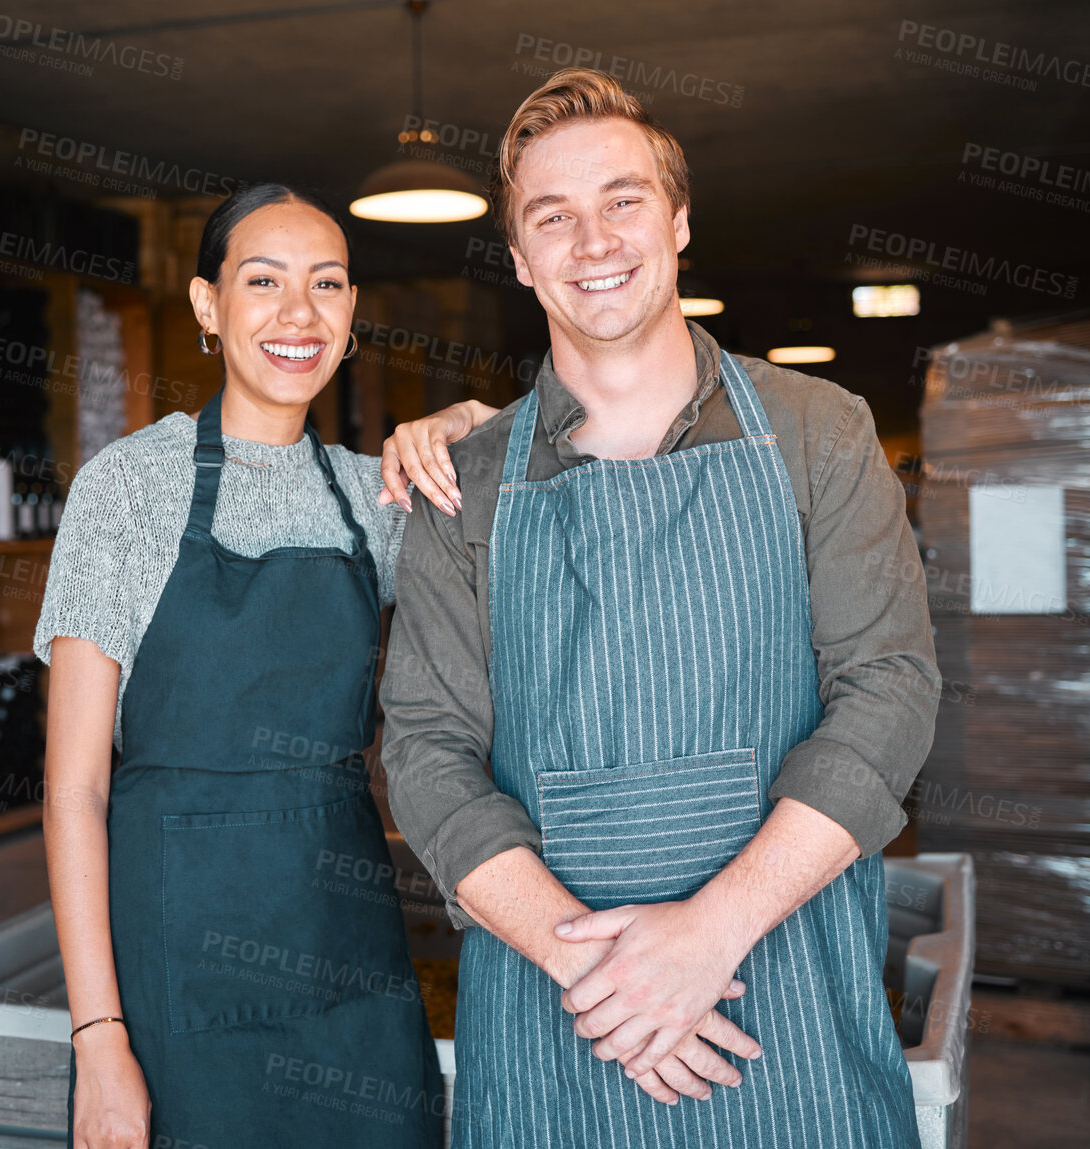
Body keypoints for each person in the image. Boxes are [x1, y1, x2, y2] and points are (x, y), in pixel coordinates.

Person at [380, 69, 941, 1148]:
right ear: (519, 258)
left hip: (785, 1006)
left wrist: (707, 937)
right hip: (558, 1025)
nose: (591, 240)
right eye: (553, 216)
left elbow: (889, 694)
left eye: (622, 201)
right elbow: (426, 754)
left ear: (678, 221)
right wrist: (606, 974)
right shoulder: (463, 483)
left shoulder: (818, 432)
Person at [35, 182, 496, 1149]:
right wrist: (99, 1039)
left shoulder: (375, 500)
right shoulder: (126, 488)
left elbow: (543, 496)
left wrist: (464, 424)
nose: (299, 314)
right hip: (180, 962)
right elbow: (74, 791)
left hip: (348, 951)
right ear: (209, 307)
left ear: (351, 314)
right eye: (263, 281)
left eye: (326, 284)